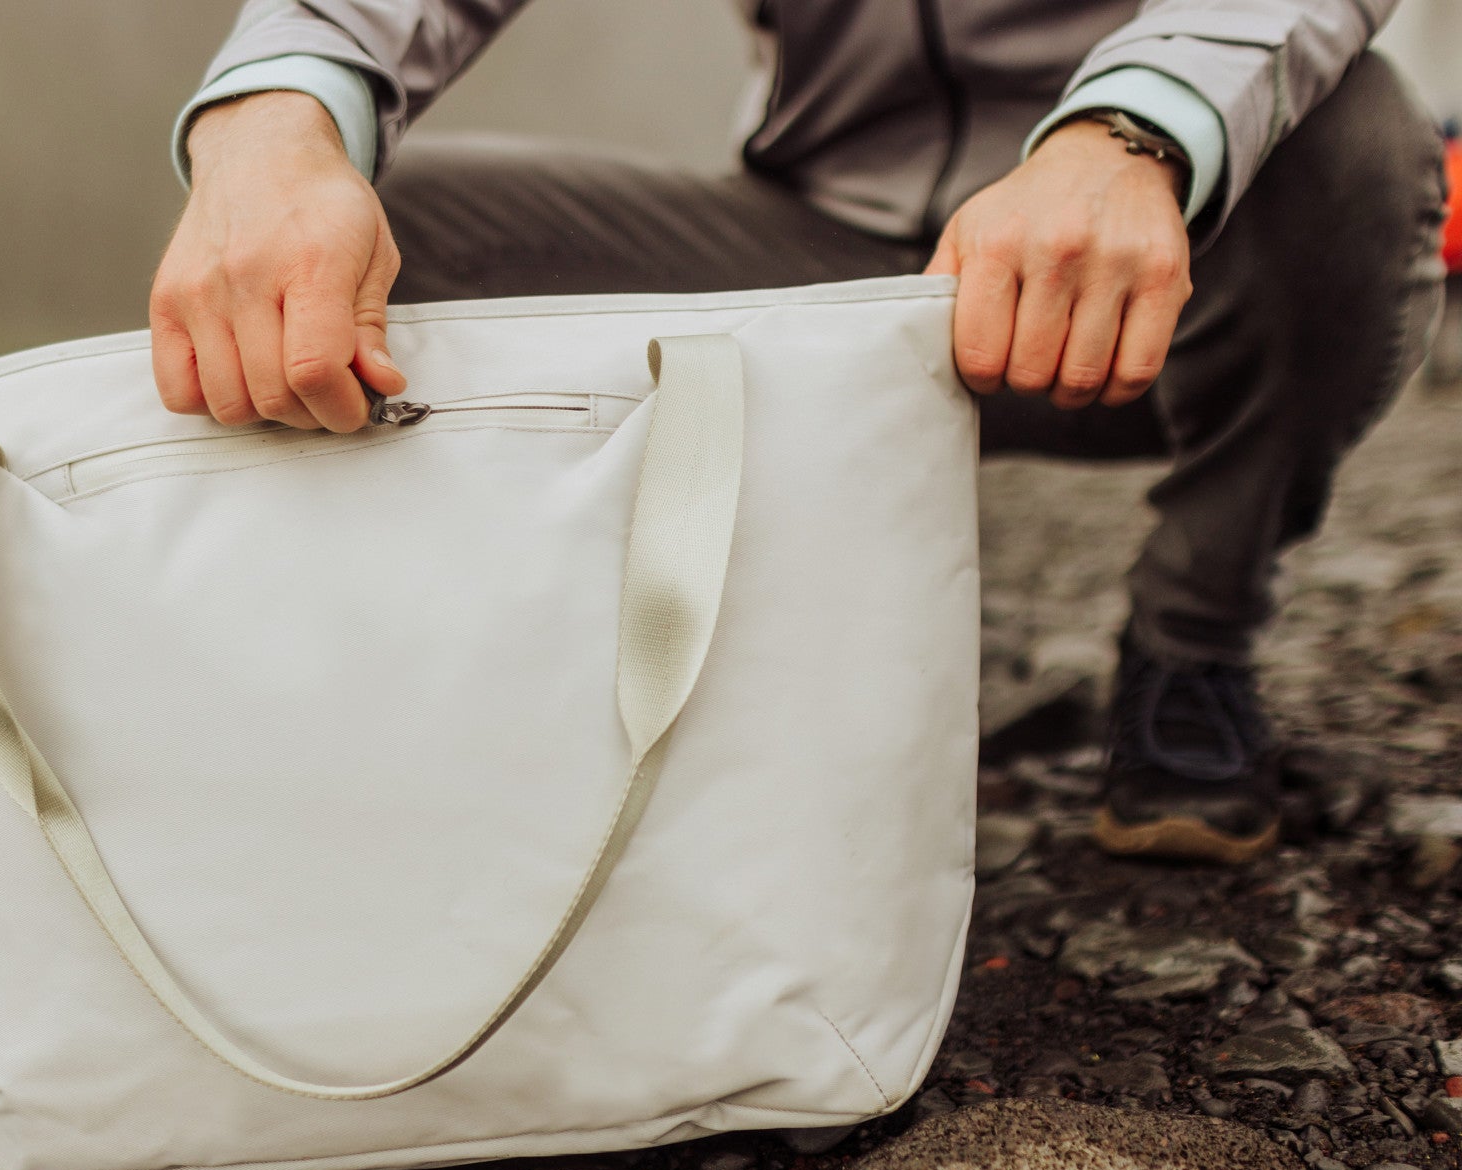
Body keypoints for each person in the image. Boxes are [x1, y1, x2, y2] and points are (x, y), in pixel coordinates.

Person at [154, 1, 1450, 867]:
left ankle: (1191, 637)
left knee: (1363, 146)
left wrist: (1137, 129)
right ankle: (497, 712)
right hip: (822, 253)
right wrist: (278, 110)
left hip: (1152, 253)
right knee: (407, 232)